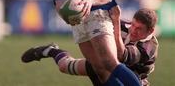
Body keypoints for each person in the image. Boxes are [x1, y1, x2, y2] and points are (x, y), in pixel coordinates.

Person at [22, 8, 158, 86]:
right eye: (133, 25)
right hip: (103, 66)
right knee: (65, 66)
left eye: (139, 29)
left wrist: (116, 22)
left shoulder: (149, 47)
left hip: (131, 81)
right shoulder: (123, 26)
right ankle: (51, 50)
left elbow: (121, 56)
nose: (133, 30)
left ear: (150, 31)